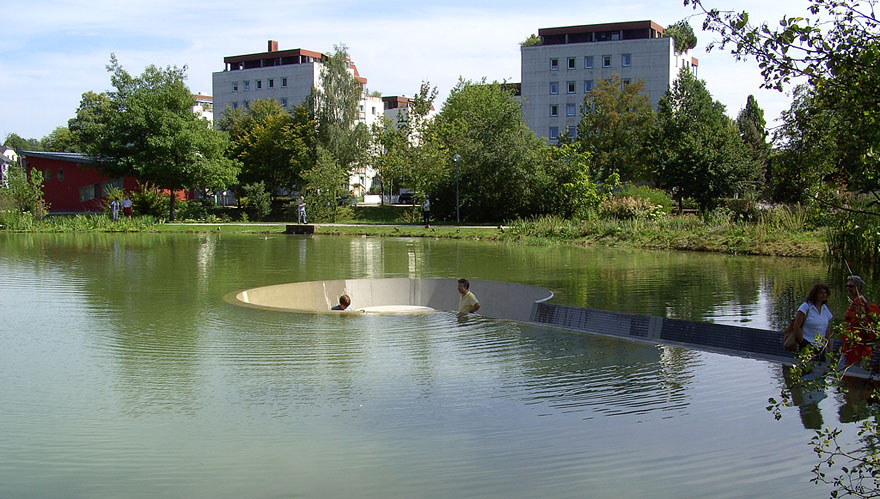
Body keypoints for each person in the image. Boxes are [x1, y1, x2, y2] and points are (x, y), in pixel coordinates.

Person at [842, 275, 880, 366]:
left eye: (851, 286)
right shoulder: (861, 300)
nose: (848, 288)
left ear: (859, 287)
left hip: (855, 344)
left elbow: (862, 320)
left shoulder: (859, 302)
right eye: (847, 286)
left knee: (849, 366)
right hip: (852, 342)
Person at [791, 283, 834, 354]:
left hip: (821, 347)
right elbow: (796, 326)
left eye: (825, 293)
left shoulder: (825, 308)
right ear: (815, 294)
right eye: (821, 293)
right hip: (807, 345)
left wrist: (828, 345)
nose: (824, 295)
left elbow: (826, 328)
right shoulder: (806, 307)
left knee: (820, 364)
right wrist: (803, 343)